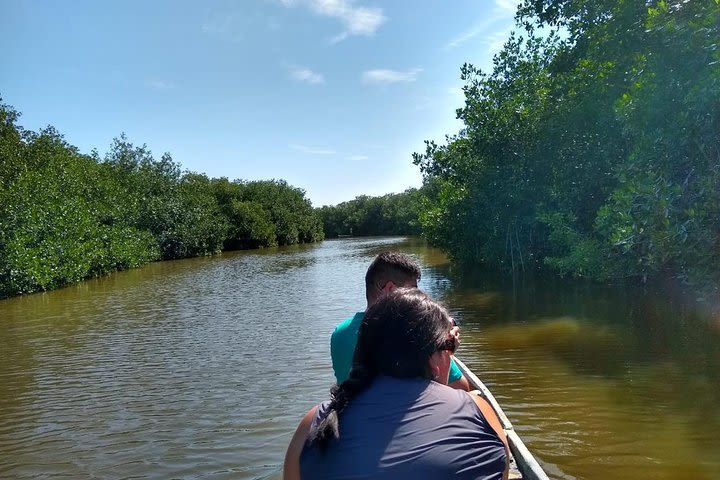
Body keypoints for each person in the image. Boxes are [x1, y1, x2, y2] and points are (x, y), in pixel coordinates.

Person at [284, 288, 510, 480]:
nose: (451, 354)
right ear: (433, 359)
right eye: (449, 347)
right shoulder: (479, 412)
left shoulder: (312, 423)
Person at [331, 251, 470, 391]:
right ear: (391, 289)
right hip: (409, 411)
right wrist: (445, 348)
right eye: (413, 290)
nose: (418, 297)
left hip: (357, 411)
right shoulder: (414, 331)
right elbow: (462, 388)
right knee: (475, 396)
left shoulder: (339, 333)